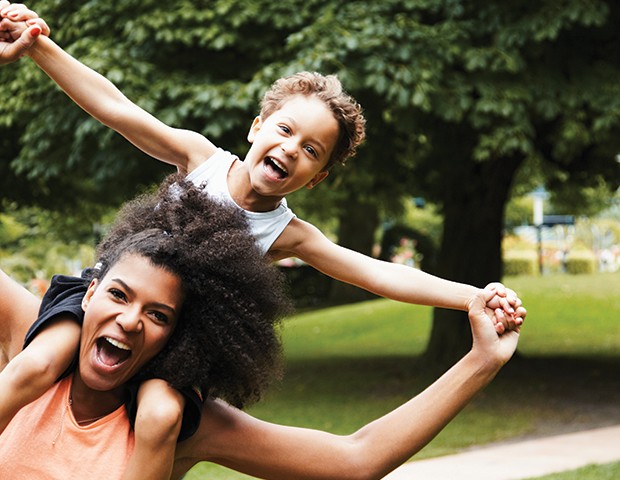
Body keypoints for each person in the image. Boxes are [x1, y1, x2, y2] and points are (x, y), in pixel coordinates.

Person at [0, 3, 525, 477]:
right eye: (284, 129)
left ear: (315, 178)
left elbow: (376, 272)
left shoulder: (289, 235)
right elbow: (116, 108)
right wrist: (38, 44)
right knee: (40, 363)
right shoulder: (200, 158)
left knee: (160, 413)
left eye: (313, 150)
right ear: (256, 127)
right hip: (98, 310)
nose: (292, 148)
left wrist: (470, 297)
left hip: (180, 351)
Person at [0, 178, 524, 480]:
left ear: (178, 335)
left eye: (159, 315)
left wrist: (482, 361)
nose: (131, 321)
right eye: (118, 294)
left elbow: (356, 460)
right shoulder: (35, 340)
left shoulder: (176, 422)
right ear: (89, 291)